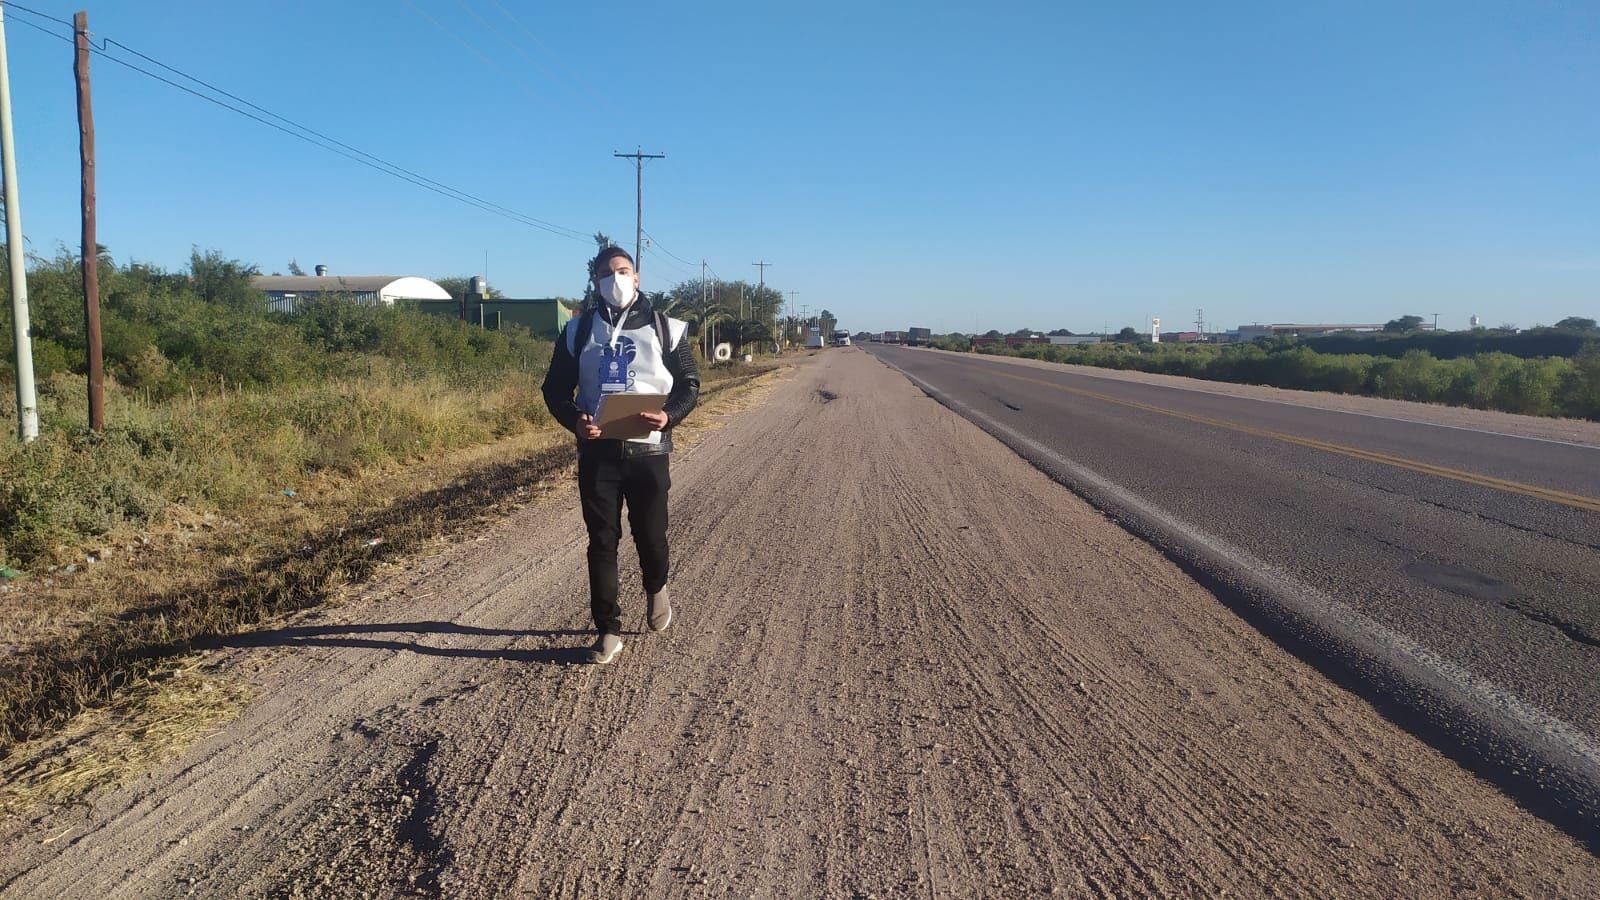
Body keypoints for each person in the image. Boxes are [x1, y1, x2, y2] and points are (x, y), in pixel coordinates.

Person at [541, 247, 700, 664]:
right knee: (601, 541)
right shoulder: (577, 332)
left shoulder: (668, 328)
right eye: (606, 274)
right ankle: (607, 629)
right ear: (595, 282)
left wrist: (668, 416)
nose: (616, 279)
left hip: (649, 452)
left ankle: (656, 586)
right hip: (599, 453)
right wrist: (575, 420)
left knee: (651, 534)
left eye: (623, 271)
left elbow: (690, 385)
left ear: (637, 276)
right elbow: (554, 390)